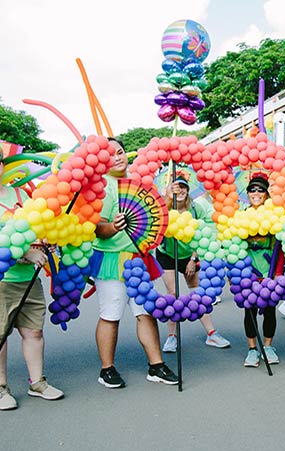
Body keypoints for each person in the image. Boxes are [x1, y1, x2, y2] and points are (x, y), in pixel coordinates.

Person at [0, 143, 63, 410]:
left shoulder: (20, 194)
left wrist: (44, 240)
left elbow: (35, 226)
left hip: (27, 276)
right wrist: (25, 250)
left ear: (3, 164)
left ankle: (37, 382)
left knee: (34, 331)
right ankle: (0, 389)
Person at [90, 137, 178, 388]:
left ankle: (156, 365)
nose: (116, 157)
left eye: (119, 152)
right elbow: (97, 228)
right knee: (110, 314)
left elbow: (153, 217)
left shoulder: (137, 183)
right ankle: (107, 369)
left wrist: (168, 199)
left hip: (139, 259)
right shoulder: (102, 188)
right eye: (109, 155)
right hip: (111, 260)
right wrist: (112, 227)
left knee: (146, 313)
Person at [158, 170, 230, 352]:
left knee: (197, 293)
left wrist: (193, 259)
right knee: (172, 292)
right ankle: (172, 336)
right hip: (167, 254)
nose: (180, 190)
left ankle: (211, 333)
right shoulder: (164, 207)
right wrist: (167, 200)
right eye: (176, 187)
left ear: (188, 190)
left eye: (183, 187)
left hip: (190, 254)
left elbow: (204, 237)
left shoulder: (196, 208)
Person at [241, 172, 280, 367]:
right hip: (247, 271)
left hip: (267, 271)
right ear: (247, 193)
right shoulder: (241, 215)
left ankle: (268, 346)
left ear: (266, 193)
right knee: (250, 310)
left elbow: (278, 247)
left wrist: (273, 273)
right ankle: (252, 350)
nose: (256, 193)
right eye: (252, 190)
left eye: (260, 190)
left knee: (270, 309)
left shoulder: (274, 214)